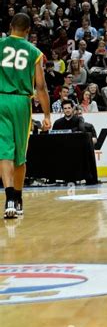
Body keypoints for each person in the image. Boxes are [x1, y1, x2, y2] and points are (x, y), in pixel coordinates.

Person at [0, 13, 51, 219]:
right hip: (21, 102)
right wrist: (47, 114)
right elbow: (41, 86)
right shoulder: (34, 52)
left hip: (1, 99)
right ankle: (18, 198)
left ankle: (10, 198)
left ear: (10, 26)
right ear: (28, 30)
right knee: (20, 154)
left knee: (4, 152)